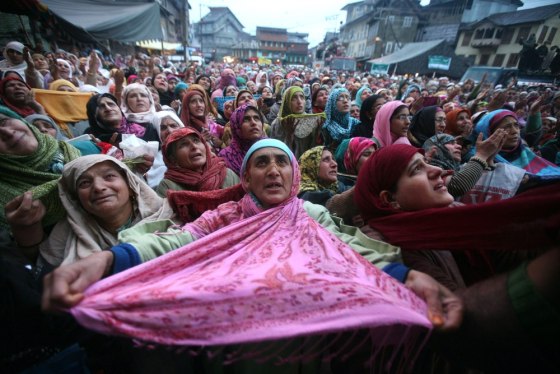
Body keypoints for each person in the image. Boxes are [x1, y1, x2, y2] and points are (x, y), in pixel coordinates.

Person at [42, 139, 462, 370]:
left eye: (283, 162)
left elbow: (350, 249)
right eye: (262, 163)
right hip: (238, 346)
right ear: (245, 177)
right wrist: (108, 260)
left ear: (296, 174)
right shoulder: (226, 216)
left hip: (304, 341)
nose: (274, 170)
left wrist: (406, 277)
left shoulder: (312, 213)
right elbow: (176, 242)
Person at [353, 144, 560, 372]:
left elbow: (510, 255)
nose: (437, 170)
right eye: (416, 169)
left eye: (427, 161)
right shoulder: (390, 248)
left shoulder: (455, 215)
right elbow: (457, 318)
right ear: (390, 199)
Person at [6, 155, 171, 267]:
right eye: (85, 183)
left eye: (109, 177)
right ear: (76, 198)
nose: (98, 188)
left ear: (130, 186)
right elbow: (43, 270)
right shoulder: (66, 235)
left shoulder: (167, 215)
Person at [0, 106, 81, 229]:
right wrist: (28, 235)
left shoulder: (83, 148)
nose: (8, 133)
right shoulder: (6, 202)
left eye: (4, 121)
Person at [471, 109, 560, 176]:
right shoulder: (476, 162)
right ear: (489, 133)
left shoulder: (527, 153)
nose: (515, 131)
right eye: (507, 127)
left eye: (516, 125)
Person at [157, 127, 239, 197]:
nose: (194, 146)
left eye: (196, 141)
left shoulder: (226, 174)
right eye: (184, 144)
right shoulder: (168, 187)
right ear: (173, 159)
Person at [271, 86, 325, 159]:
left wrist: (317, 134)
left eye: (302, 97)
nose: (299, 102)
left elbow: (314, 151)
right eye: (294, 98)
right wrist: (289, 137)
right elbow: (275, 152)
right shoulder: (278, 124)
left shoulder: (310, 121)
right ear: (287, 101)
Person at [85, 93, 159, 146]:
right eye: (101, 106)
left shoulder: (146, 128)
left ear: (119, 109)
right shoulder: (90, 138)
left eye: (111, 104)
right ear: (94, 115)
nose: (108, 108)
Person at [219, 104, 266, 175]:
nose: (253, 123)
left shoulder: (272, 148)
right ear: (236, 126)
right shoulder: (226, 156)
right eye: (246, 119)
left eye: (256, 118)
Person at [144, 110, 185, 188]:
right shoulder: (154, 161)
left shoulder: (196, 148)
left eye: (173, 126)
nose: (169, 131)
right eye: (163, 128)